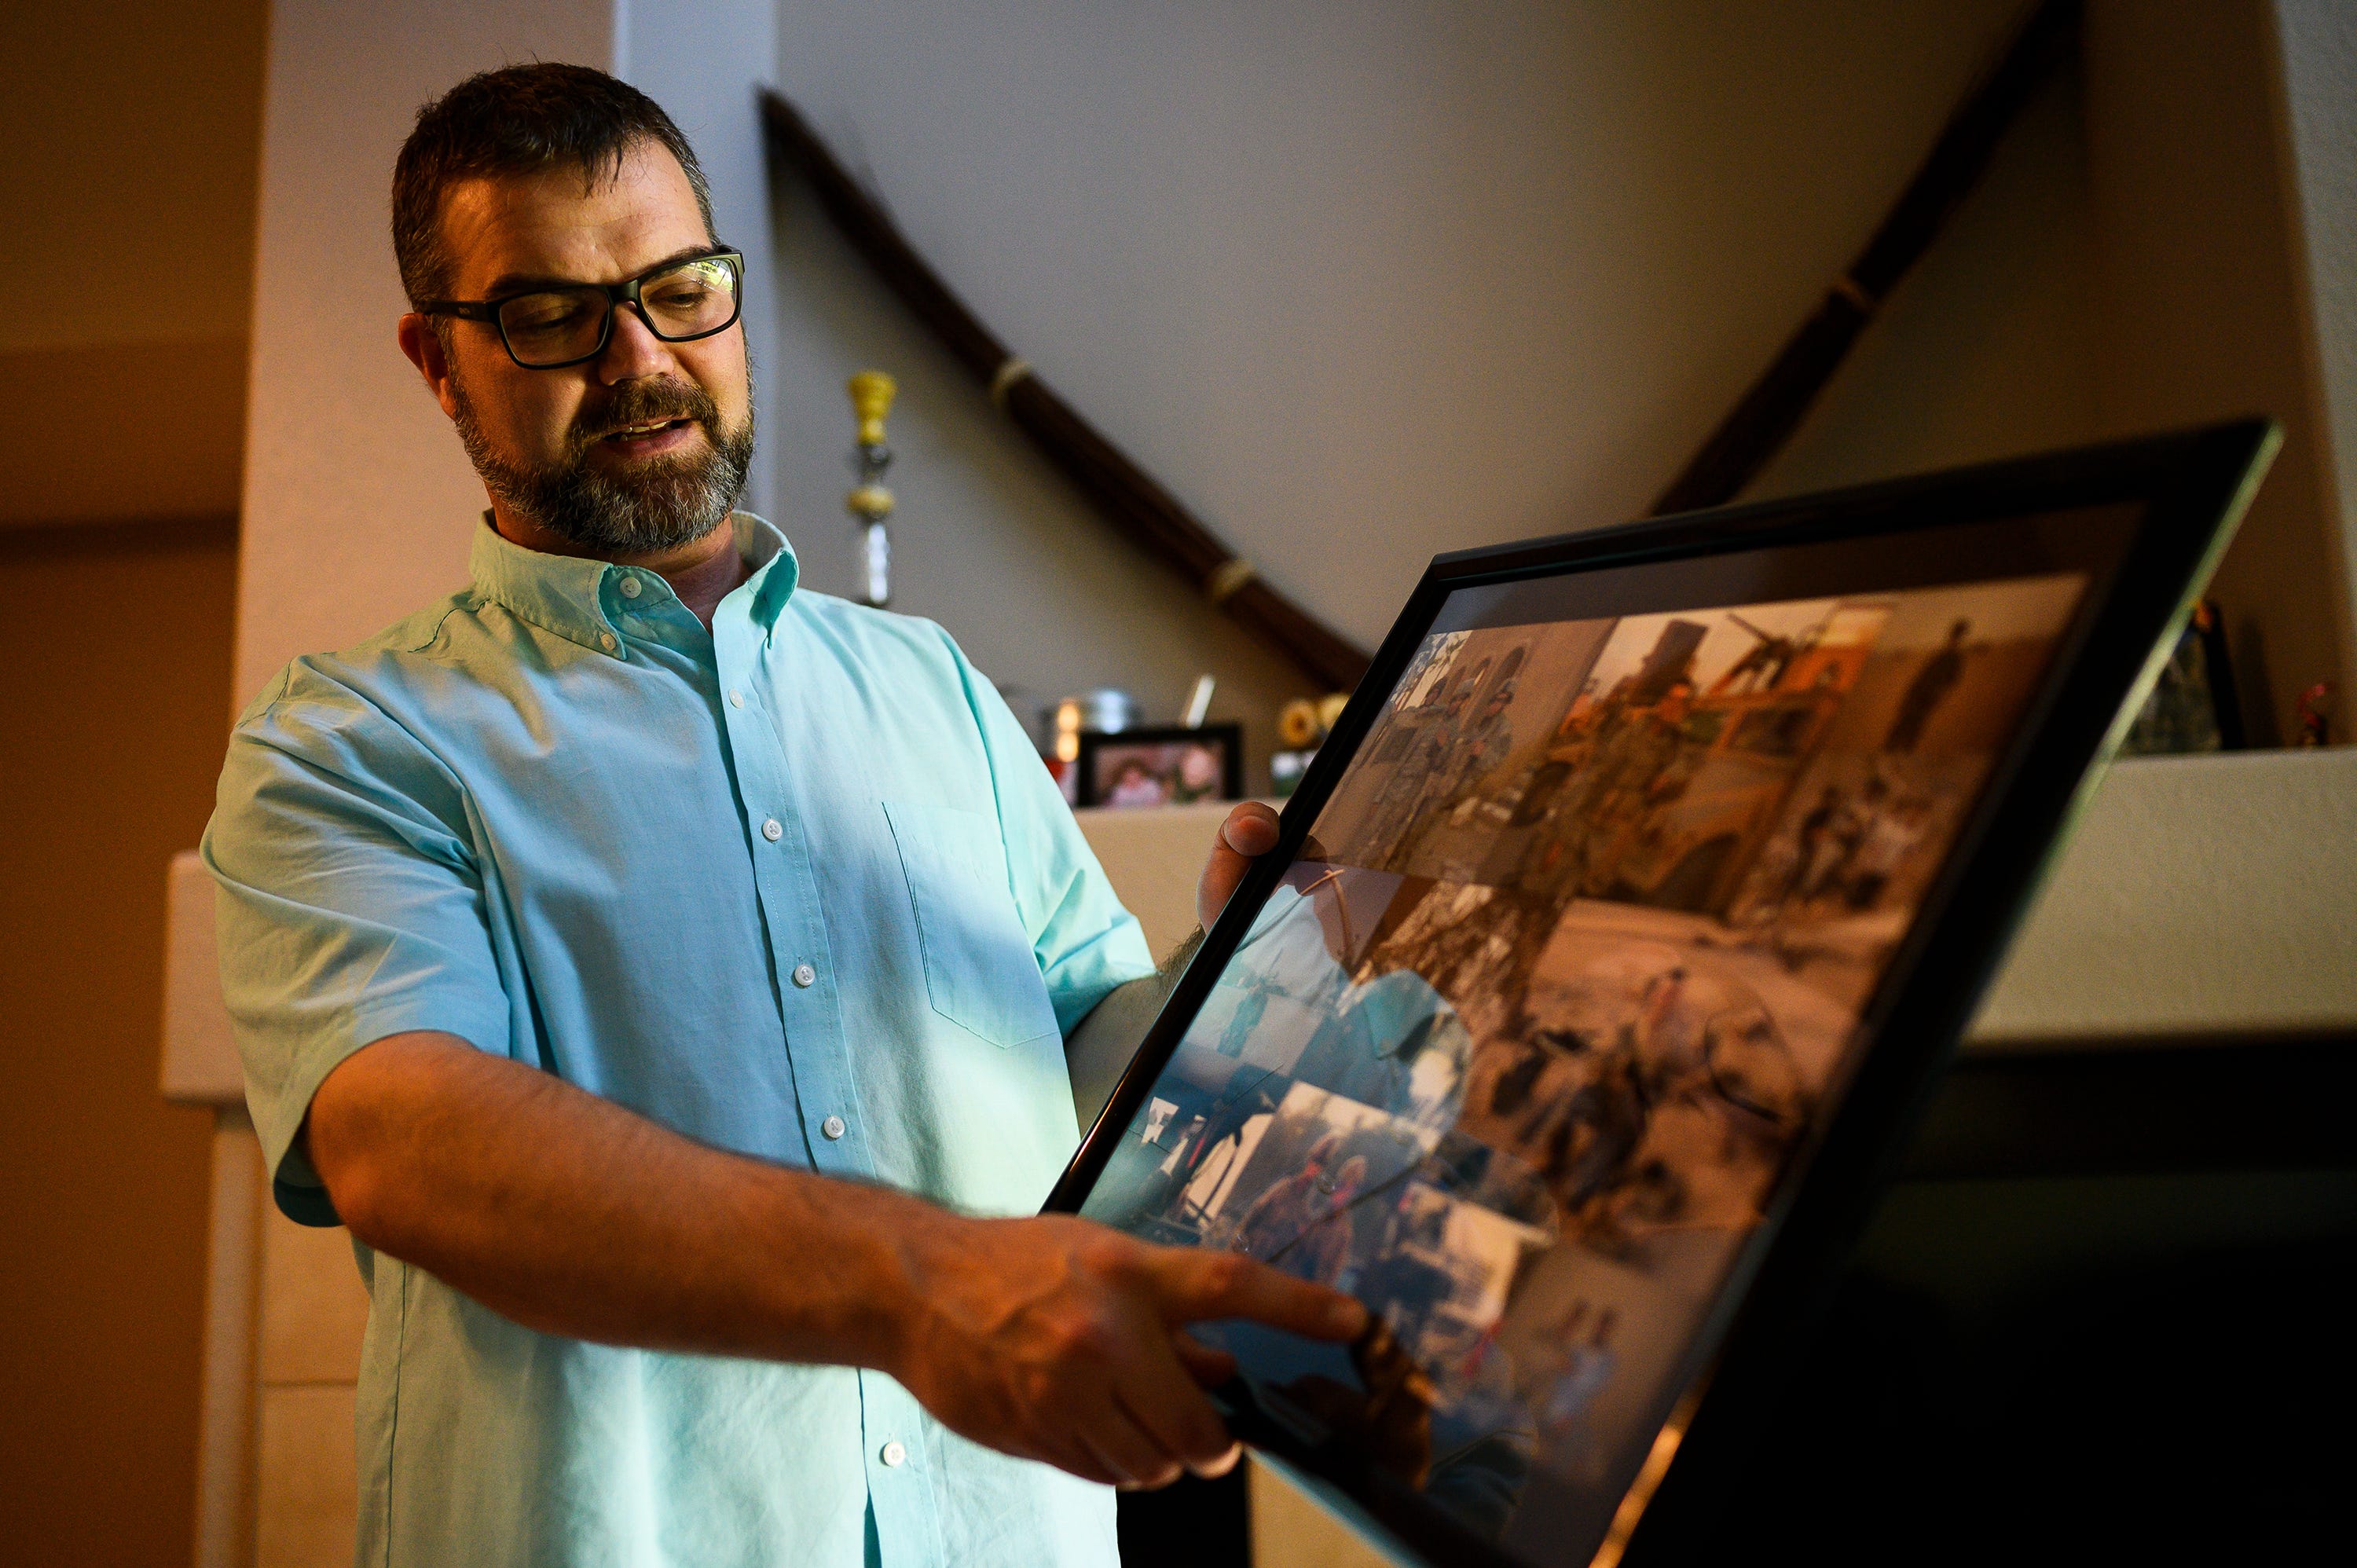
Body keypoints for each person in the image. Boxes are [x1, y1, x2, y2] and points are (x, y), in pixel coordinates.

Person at [201, 65, 1362, 1568]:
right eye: (553, 314)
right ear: (439, 362)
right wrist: (920, 1284)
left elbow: (1081, 1047)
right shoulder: (349, 742)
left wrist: (1241, 977)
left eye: (679, 289)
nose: (639, 358)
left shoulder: (930, 682)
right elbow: (409, 1144)